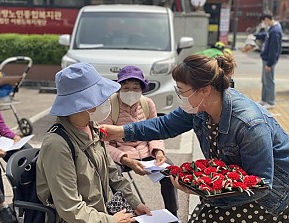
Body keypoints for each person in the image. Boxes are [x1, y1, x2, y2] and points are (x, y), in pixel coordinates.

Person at [99, 54, 289, 222]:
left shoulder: (250, 125)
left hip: (272, 199)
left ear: (204, 90)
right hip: (231, 194)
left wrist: (200, 190)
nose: (180, 96)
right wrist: (119, 131)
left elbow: (261, 184)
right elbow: (163, 125)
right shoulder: (201, 107)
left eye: (182, 91)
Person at [36, 63, 151, 223]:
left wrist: (134, 202)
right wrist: (109, 220)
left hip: (106, 210)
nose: (107, 101)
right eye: (101, 97)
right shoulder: (57, 145)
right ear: (83, 103)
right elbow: (70, 208)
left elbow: (113, 174)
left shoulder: (93, 128)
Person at [99, 65, 178, 217]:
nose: (131, 92)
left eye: (135, 88)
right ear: (118, 88)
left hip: (146, 152)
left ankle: (172, 213)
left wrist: (159, 151)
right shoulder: (109, 106)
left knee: (170, 171)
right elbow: (104, 143)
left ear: (142, 89)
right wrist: (125, 159)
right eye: (126, 87)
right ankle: (126, 214)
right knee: (112, 174)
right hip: (120, 155)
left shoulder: (147, 103)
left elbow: (155, 131)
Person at [0, 89, 32, 223]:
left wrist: (14, 136)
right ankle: (1, 207)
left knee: (26, 151)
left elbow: (0, 125)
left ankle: (24, 199)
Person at [254, 13, 283, 110]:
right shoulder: (271, 29)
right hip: (266, 58)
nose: (264, 23)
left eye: (264, 21)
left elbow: (274, 49)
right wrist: (256, 35)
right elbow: (265, 35)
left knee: (269, 81)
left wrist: (270, 64)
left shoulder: (275, 31)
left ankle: (270, 102)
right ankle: (264, 99)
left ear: (268, 19)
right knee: (264, 80)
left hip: (269, 60)